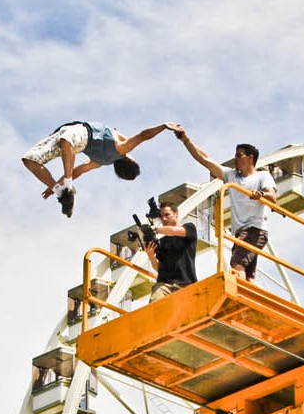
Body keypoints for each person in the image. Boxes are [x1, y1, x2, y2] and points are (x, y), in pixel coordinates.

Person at [175, 128, 276, 280]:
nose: (235, 159)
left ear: (250, 157)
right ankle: (248, 299)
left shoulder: (262, 176)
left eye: (239, 155)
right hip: (240, 233)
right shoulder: (231, 175)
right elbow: (205, 159)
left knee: (237, 266)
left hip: (254, 230)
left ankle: (237, 296)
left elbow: (272, 196)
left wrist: (260, 194)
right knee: (247, 275)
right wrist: (185, 140)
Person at [22, 120, 180, 217]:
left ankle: (66, 189)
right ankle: (62, 192)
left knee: (66, 141)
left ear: (128, 160)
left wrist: (163, 127)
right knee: (29, 159)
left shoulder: (122, 148)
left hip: (79, 134)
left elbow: (142, 136)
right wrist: (54, 186)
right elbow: (77, 171)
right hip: (65, 136)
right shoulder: (102, 162)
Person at [144, 202, 198, 302]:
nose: (164, 219)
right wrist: (150, 255)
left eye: (167, 215)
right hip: (165, 286)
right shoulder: (162, 242)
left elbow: (175, 231)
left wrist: (156, 229)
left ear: (176, 213)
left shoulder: (190, 228)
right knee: (156, 299)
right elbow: (159, 267)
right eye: (161, 216)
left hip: (187, 285)